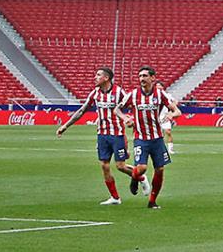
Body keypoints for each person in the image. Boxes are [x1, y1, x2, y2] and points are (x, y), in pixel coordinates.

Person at [55, 67, 135, 205]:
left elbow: (133, 106)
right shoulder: (95, 93)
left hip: (117, 134)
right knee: (104, 165)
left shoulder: (119, 92)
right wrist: (65, 126)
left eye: (98, 75)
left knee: (120, 166)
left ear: (106, 78)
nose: (94, 77)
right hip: (102, 134)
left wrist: (130, 119)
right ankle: (115, 197)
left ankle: (140, 176)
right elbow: (82, 111)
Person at [118, 66, 180, 209]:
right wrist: (125, 118)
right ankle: (135, 178)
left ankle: (152, 201)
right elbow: (117, 109)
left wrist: (171, 114)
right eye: (140, 76)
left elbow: (177, 111)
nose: (142, 79)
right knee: (142, 168)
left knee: (160, 170)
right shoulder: (133, 95)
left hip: (157, 139)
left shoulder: (160, 94)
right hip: (141, 138)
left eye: (145, 76)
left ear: (153, 78)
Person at [155, 80, 180, 154]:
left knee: (168, 132)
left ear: (163, 87)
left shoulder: (167, 95)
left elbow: (175, 101)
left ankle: (170, 149)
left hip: (165, 116)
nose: (159, 87)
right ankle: (158, 148)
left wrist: (171, 111)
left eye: (160, 86)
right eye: (157, 86)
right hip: (156, 117)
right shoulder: (153, 96)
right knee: (158, 134)